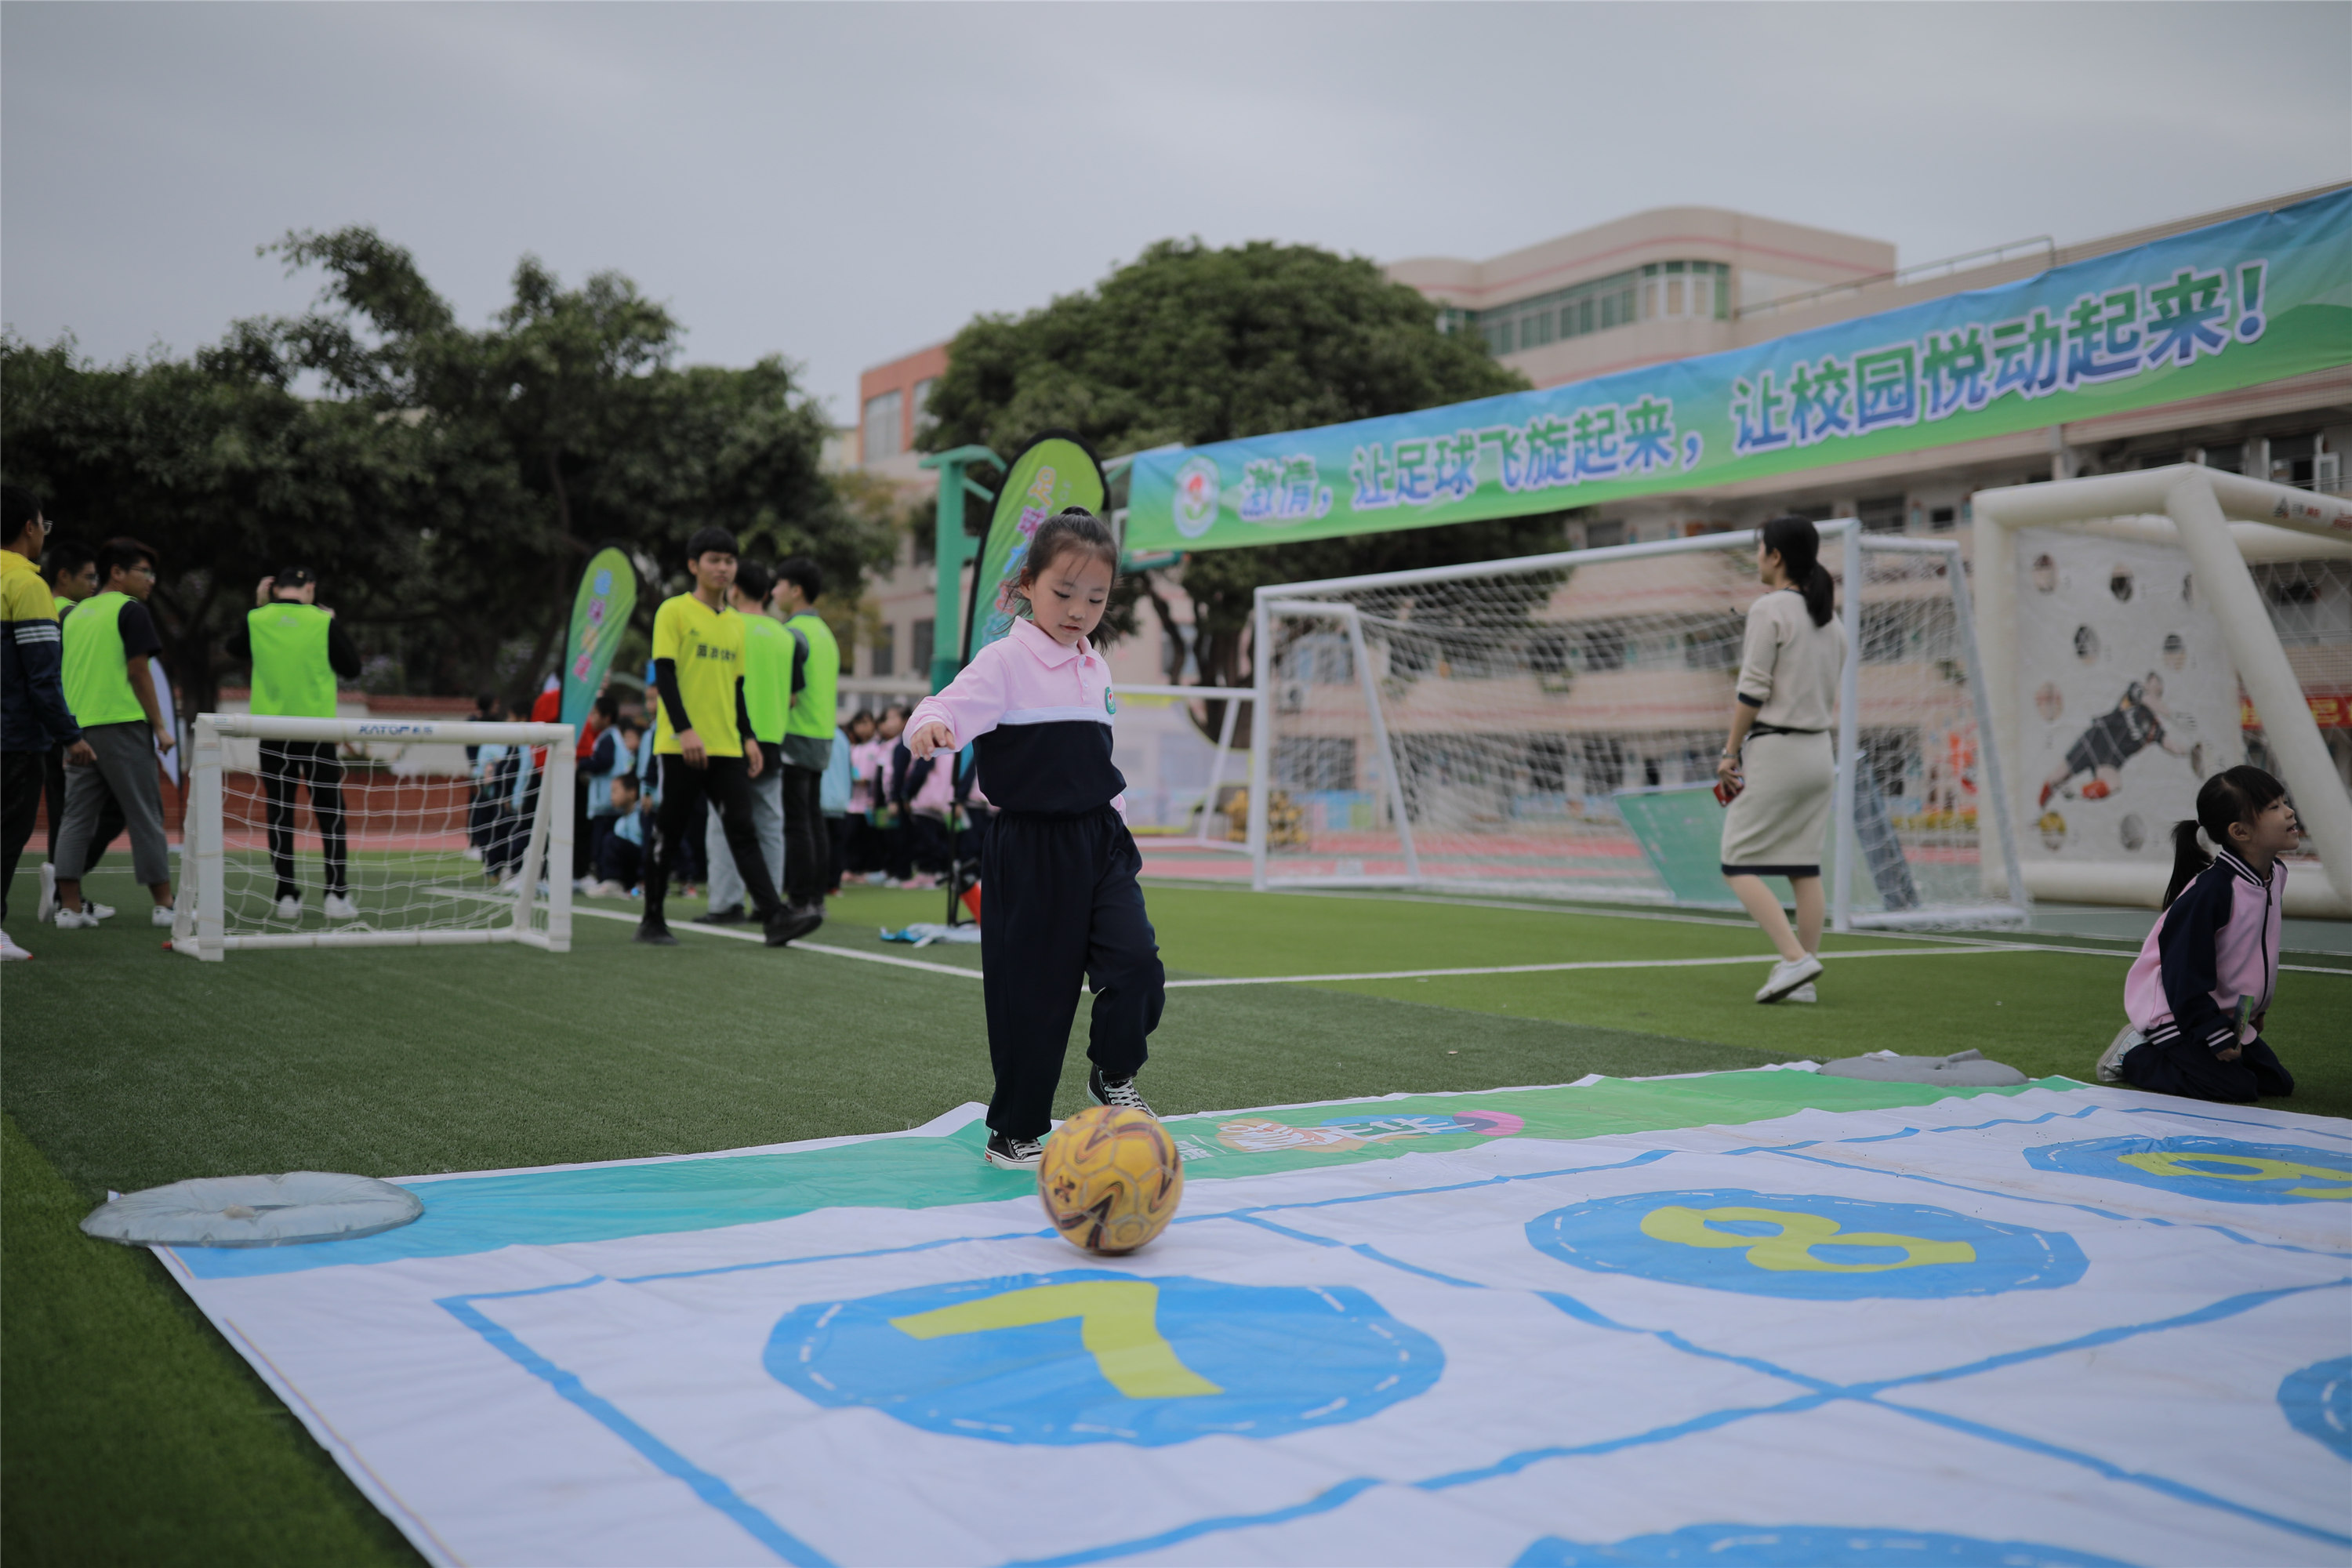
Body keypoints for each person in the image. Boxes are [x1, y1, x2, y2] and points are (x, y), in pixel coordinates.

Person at [905, 507, 1166, 1170]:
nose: (1079, 610)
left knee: (1136, 965)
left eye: (1096, 598)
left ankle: (1113, 1073)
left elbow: (1098, 763)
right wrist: (928, 731)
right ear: (1028, 583)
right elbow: (938, 708)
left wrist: (1122, 838)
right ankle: (1015, 1131)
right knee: (1034, 1001)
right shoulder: (1002, 662)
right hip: (1029, 850)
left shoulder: (1096, 668)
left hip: (1102, 843)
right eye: (1064, 593)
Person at [638, 528, 811, 948]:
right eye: (714, 559)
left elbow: (735, 690)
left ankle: (774, 917)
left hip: (727, 747)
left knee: (743, 829)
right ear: (694, 565)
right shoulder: (673, 612)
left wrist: (748, 737)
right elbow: (665, 676)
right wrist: (685, 731)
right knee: (670, 831)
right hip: (680, 746)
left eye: (729, 560)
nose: (723, 567)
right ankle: (652, 919)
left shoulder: (737, 624)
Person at [2100, 766, 2299, 1102]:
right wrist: (2209, 1031)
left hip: (2220, 1010)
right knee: (2232, 1088)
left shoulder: (2274, 874)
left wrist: (2253, 1012)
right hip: (2175, 1010)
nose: (2289, 811)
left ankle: (2192, 1047)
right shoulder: (2213, 891)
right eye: (2274, 808)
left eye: (2284, 802)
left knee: (2276, 1084)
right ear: (2240, 831)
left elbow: (2251, 952)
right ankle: (2135, 1055)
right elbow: (2181, 971)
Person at [1714, 515, 1846, 1006]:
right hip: (1818, 753)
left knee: (1736, 862)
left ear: (1775, 555)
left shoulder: (1770, 609)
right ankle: (1802, 980)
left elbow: (1753, 689)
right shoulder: (1832, 622)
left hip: (1779, 749)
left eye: (1760, 548)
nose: (1757, 558)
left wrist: (1730, 752)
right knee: (1803, 867)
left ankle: (1795, 959)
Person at [223, 567, 362, 920]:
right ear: (310, 588)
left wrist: (257, 606)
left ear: (273, 588)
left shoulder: (256, 619)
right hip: (317, 731)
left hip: (272, 731)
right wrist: (333, 623)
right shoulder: (322, 621)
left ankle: (286, 896)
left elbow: (233, 649)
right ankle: (335, 895)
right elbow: (353, 668)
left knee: (280, 812)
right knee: (331, 814)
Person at [52, 536, 176, 929]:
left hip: (78, 729)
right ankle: (164, 904)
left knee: (75, 818)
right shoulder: (130, 611)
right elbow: (138, 672)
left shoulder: (73, 615)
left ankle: (69, 908)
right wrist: (159, 725)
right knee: (145, 814)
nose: (151, 580)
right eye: (145, 571)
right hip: (122, 725)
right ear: (117, 573)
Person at [1, 487, 93, 960]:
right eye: (44, 525)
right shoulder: (26, 584)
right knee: (7, 831)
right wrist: (70, 736)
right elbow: (41, 676)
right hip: (13, 738)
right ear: (29, 528)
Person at [34, 536, 122, 918]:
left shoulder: (36, 607)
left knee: (62, 814)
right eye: (89, 577)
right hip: (69, 725)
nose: (94, 585)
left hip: (40, 726)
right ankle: (63, 885)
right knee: (106, 811)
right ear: (64, 576)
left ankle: (65, 893)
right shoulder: (74, 616)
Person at [703, 561, 788, 924]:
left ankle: (726, 903)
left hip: (733, 737)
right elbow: (794, 695)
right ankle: (768, 903)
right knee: (770, 823)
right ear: (767, 594)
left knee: (724, 823)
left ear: (734, 590)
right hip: (773, 738)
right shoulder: (786, 635)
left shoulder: (729, 625)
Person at [773, 557, 840, 934]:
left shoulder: (793, 633)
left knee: (798, 823)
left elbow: (788, 692)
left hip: (796, 734)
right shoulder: (824, 632)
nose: (774, 591)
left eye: (779, 585)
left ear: (796, 590)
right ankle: (815, 897)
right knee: (813, 821)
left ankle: (799, 899)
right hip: (822, 734)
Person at [2038, 673, 2194, 808]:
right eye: (2150, 683)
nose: (2151, 689)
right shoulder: (2136, 693)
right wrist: (2173, 715)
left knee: (2114, 784)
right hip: (2096, 739)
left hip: (2110, 760)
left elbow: (2171, 746)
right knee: (2057, 776)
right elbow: (2148, 699)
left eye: (2156, 687)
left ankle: (2077, 791)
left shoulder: (2154, 727)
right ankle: (2039, 809)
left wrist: (2191, 751)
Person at [590, 771, 647, 895]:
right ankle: (610, 881)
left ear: (632, 793)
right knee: (608, 840)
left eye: (615, 791)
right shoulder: (620, 822)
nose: (611, 797)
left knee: (611, 840)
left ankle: (615, 882)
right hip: (630, 869)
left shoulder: (642, 817)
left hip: (642, 866)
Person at [822, 713, 855, 895]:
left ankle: (819, 882)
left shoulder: (819, 735)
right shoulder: (842, 738)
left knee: (821, 844)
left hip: (822, 799)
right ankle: (833, 884)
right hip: (841, 800)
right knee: (837, 845)